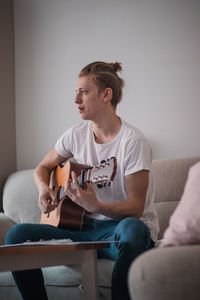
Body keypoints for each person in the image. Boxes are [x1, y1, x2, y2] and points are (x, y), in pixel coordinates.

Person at [5, 61, 159, 300]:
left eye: (83, 92)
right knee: (15, 236)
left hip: (118, 232)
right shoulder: (75, 135)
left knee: (132, 228)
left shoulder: (133, 142)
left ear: (107, 94)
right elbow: (43, 167)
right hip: (80, 231)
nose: (76, 100)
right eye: (76, 92)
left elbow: (136, 208)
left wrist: (96, 206)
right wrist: (44, 188)